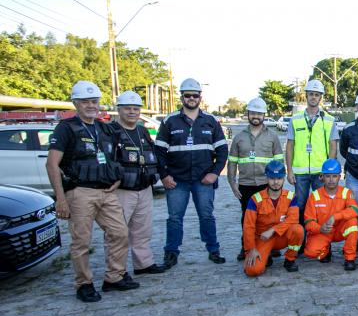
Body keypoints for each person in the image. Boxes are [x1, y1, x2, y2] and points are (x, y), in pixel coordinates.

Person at [46, 81, 138, 302]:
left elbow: (115, 156)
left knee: (120, 232)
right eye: (85, 101)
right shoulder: (66, 128)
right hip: (80, 192)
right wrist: (60, 198)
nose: (90, 105)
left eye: (94, 101)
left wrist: (116, 179)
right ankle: (84, 284)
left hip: (106, 191)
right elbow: (52, 164)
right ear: (76, 103)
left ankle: (114, 277)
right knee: (81, 242)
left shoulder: (103, 127)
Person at [155, 77, 229, 268]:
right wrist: (164, 175)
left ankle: (213, 250)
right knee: (174, 218)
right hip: (176, 179)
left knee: (206, 216)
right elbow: (159, 152)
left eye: (194, 95)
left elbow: (222, 151)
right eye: (187, 95)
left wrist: (214, 173)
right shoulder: (170, 121)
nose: (191, 98)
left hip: (203, 180)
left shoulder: (211, 121)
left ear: (200, 97)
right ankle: (171, 253)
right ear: (182, 97)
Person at [111, 90, 165, 276]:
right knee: (118, 232)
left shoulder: (142, 130)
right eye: (127, 108)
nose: (132, 112)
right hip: (123, 189)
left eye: (136, 108)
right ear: (119, 109)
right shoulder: (111, 131)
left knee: (142, 229)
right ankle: (117, 271)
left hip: (144, 186)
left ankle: (143, 264)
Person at [227, 97, 284, 261]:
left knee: (269, 217)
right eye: (253, 113)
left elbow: (279, 161)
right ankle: (245, 247)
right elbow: (232, 162)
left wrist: (279, 183)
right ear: (248, 114)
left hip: (266, 184)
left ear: (264, 115)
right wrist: (232, 182)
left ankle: (272, 246)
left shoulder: (272, 137)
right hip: (246, 185)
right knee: (247, 218)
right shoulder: (239, 137)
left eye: (259, 113)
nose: (256, 116)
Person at [285, 79, 338, 224]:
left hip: (321, 173)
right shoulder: (295, 120)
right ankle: (301, 240)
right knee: (300, 206)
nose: (314, 97)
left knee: (321, 206)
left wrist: (327, 170)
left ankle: (322, 241)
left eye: (317, 94)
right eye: (311, 94)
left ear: (321, 97)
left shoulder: (329, 120)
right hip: (300, 173)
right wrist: (289, 170)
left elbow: (333, 145)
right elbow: (290, 145)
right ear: (306, 95)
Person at [242, 160, 304, 276]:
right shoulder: (255, 199)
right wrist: (251, 249)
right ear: (266, 178)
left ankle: (290, 259)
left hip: (282, 237)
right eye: (272, 178)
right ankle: (266, 255)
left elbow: (293, 220)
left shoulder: (291, 197)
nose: (276, 182)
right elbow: (248, 226)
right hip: (263, 239)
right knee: (252, 270)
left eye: (279, 178)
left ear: (284, 179)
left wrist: (273, 230)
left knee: (298, 230)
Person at [302, 159, 358, 271]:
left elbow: (354, 210)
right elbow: (308, 221)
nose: (331, 180)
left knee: (352, 222)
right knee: (311, 253)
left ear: (339, 177)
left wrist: (335, 217)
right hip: (323, 231)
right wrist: (320, 228)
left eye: (334, 176)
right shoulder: (315, 196)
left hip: (339, 230)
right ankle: (326, 251)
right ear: (322, 177)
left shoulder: (346, 193)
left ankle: (349, 258)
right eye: (328, 176)